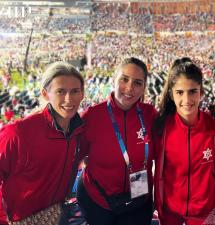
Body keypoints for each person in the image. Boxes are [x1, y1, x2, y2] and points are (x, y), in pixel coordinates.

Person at [0, 62, 85, 223]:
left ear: (82, 94)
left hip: (57, 212)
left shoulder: (80, 130)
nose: (69, 99)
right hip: (22, 220)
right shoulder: (17, 133)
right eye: (60, 91)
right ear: (45, 94)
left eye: (75, 91)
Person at [77, 57, 157, 225]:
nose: (129, 88)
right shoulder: (92, 116)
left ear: (144, 87)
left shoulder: (151, 115)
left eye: (137, 82)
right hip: (98, 202)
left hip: (139, 201)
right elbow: (74, 157)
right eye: (124, 79)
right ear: (114, 80)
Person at [153, 58, 215, 225]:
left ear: (201, 92)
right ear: (171, 94)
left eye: (192, 91)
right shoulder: (161, 130)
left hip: (205, 215)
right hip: (170, 214)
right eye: (180, 92)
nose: (186, 99)